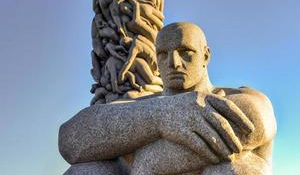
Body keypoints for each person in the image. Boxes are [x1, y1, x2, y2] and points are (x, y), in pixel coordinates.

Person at [59, 22, 276, 175]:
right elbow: (70, 140)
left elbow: (254, 120)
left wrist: (148, 161)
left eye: (185, 51)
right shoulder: (143, 104)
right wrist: (161, 117)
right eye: (163, 54)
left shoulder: (240, 96)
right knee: (88, 171)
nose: (174, 63)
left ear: (206, 55)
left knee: (233, 169)